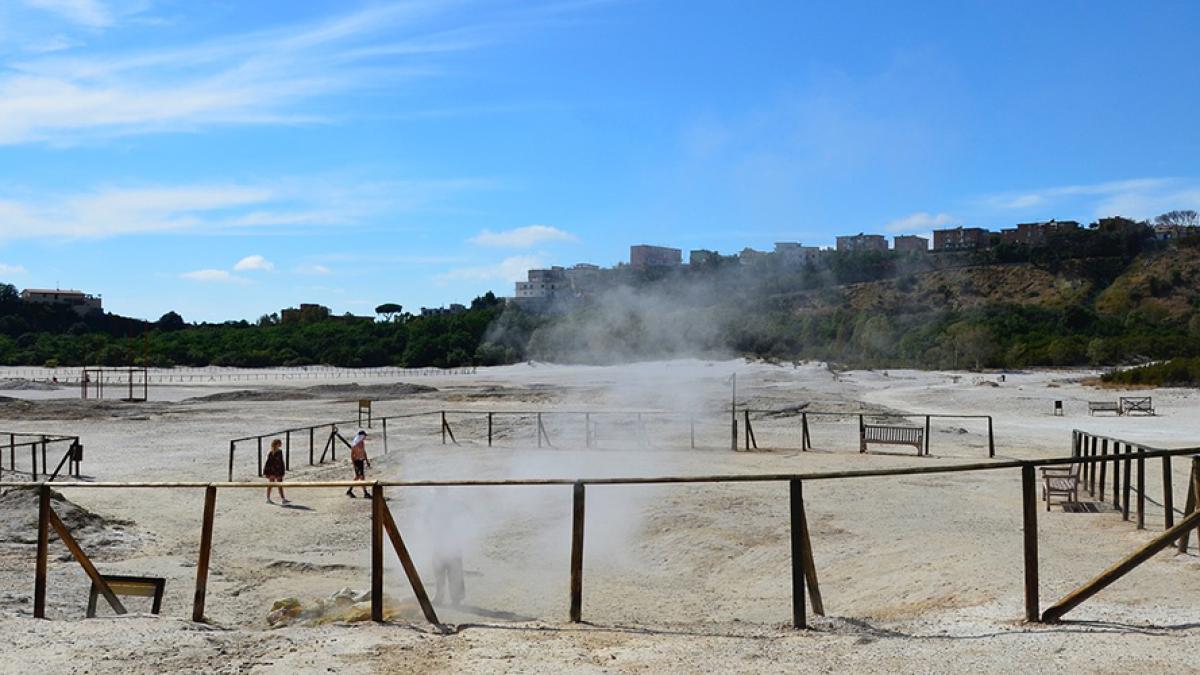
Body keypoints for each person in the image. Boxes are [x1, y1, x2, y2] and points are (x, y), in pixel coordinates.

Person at [346, 430, 371, 498]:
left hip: (361, 461)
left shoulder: (362, 443)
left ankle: (350, 491)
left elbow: (364, 452)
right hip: (357, 461)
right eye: (364, 436)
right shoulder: (355, 444)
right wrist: (354, 465)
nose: (365, 437)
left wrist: (367, 461)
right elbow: (352, 455)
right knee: (360, 477)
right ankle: (365, 493)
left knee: (359, 477)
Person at [264, 439, 289, 504]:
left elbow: (281, 462)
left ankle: (283, 498)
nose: (281, 444)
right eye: (279, 443)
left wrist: (282, 470)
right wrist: (267, 472)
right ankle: (268, 498)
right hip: (273, 471)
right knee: (271, 484)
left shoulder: (279, 452)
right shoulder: (271, 452)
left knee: (279, 485)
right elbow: (268, 463)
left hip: (278, 470)